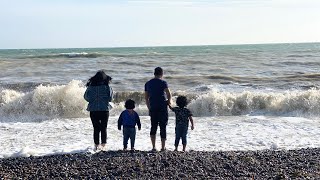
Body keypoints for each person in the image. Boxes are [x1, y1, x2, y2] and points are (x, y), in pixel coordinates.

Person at [84, 70, 113, 151]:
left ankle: (96, 146)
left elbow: (86, 97)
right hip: (104, 109)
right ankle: (103, 145)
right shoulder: (107, 87)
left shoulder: (90, 87)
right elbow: (110, 99)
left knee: (96, 128)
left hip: (93, 110)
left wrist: (93, 100)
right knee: (104, 127)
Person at [145, 67, 172, 151]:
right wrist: (169, 101)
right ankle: (163, 147)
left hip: (153, 107)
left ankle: (153, 147)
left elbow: (146, 98)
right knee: (163, 126)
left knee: (153, 126)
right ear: (162, 74)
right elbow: (169, 94)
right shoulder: (163, 82)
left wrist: (149, 108)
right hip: (162, 107)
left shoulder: (148, 83)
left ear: (154, 73)